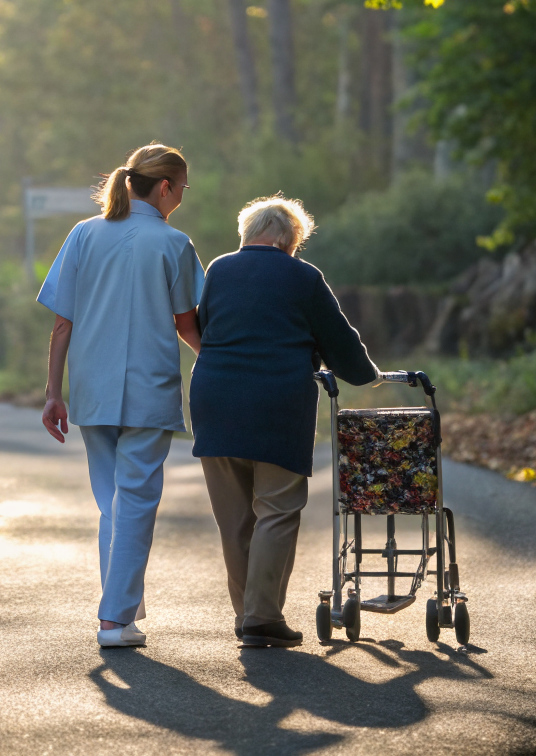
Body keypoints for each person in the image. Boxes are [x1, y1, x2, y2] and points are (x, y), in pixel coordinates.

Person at [189, 195, 380, 648]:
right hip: (276, 404)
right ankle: (262, 616)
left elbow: (207, 325)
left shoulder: (218, 269)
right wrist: (365, 375)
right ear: (286, 238)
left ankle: (249, 615)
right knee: (276, 510)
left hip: (214, 401)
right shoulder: (302, 276)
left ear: (249, 234)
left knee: (233, 520)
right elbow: (339, 340)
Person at [37, 143, 206, 648]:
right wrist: (220, 359)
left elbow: (62, 323)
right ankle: (113, 620)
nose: (181, 198)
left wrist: (53, 392)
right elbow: (186, 324)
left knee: (113, 502)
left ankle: (124, 609)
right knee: (134, 502)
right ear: (164, 188)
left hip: (92, 387)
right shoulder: (174, 243)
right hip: (148, 390)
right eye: (182, 189)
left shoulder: (83, 235)